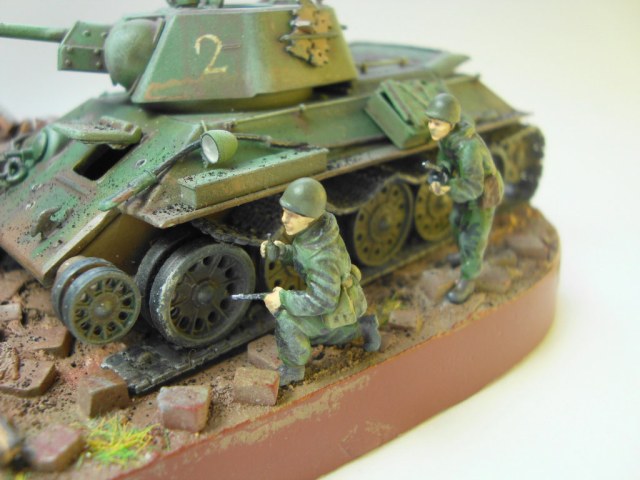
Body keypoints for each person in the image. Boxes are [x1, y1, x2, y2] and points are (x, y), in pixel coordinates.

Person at [260, 177, 381, 386]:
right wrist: (281, 252)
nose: (284, 219)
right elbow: (303, 256)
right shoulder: (318, 231)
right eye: (285, 212)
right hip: (341, 296)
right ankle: (365, 327)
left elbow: (323, 301)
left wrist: (283, 299)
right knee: (320, 331)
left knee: (286, 319)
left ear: (311, 216)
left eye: (293, 215)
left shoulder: (322, 257)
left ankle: (293, 369)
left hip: (335, 304)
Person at [425, 93, 504, 304]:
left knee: (473, 237)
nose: (432, 127)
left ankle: (469, 278)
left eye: (437, 123)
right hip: (464, 189)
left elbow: (473, 186)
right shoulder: (447, 138)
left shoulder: (468, 147)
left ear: (451, 124)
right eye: (430, 121)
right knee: (456, 222)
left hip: (482, 194)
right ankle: (463, 256)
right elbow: (445, 158)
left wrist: (447, 188)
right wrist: (441, 173)